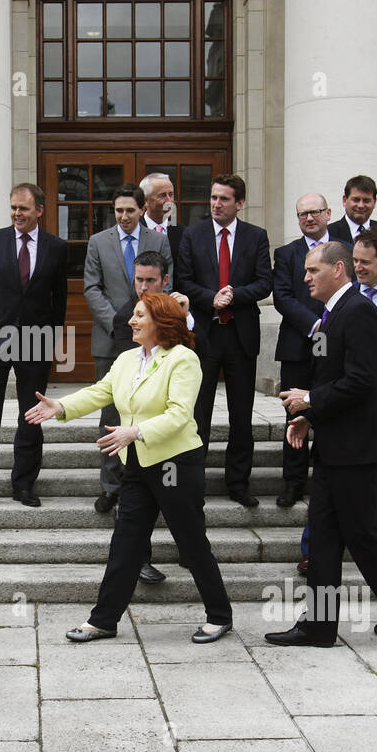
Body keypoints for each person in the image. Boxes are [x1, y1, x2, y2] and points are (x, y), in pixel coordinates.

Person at [25, 293, 233, 644]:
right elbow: (99, 392)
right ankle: (103, 620)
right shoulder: (125, 360)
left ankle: (220, 615)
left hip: (175, 465)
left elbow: (180, 414)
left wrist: (135, 431)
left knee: (190, 542)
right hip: (136, 462)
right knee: (126, 543)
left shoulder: (183, 359)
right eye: (133, 315)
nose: (131, 321)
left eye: (140, 315)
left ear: (161, 321)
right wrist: (60, 407)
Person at [268, 242, 377, 646]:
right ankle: (320, 626)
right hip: (337, 445)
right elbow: (338, 379)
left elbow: (363, 380)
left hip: (358, 451)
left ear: (337, 269)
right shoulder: (336, 312)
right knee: (325, 538)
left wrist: (309, 400)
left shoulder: (358, 312)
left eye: (313, 270)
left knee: (363, 537)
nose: (305, 277)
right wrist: (312, 415)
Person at [0, 183, 68, 509]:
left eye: (23, 208)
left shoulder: (56, 247)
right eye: (13, 208)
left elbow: (60, 300)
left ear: (39, 210)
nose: (17, 214)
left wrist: (53, 339)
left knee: (32, 414)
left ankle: (24, 484)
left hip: (35, 342)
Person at [177, 174, 272, 506]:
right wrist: (210, 298)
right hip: (203, 337)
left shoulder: (256, 237)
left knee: (241, 415)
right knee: (197, 412)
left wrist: (234, 295)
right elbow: (183, 281)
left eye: (224, 199)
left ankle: (238, 483)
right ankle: (193, 480)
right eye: (214, 198)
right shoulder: (193, 235)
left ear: (240, 203)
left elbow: (265, 283)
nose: (217, 204)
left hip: (241, 335)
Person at [110, 250, 197, 584]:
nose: (143, 286)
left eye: (150, 280)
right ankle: (139, 560)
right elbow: (124, 372)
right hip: (138, 432)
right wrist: (62, 408)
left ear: (165, 280)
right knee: (136, 506)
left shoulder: (181, 315)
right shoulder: (125, 316)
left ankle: (192, 552)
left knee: (182, 502)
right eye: (138, 280)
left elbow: (193, 352)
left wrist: (183, 319)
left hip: (175, 434)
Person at [84, 184, 171, 515]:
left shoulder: (159, 240)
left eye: (130, 211)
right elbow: (91, 287)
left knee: (150, 410)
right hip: (110, 341)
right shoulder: (98, 242)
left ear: (142, 209)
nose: (124, 216)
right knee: (110, 412)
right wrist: (121, 323)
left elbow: (167, 282)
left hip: (152, 339)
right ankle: (110, 486)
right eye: (118, 211)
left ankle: (147, 484)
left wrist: (145, 321)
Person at [272, 193, 349, 508]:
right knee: (295, 413)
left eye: (314, 212)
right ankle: (293, 482)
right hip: (298, 345)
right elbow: (282, 296)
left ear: (328, 213)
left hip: (336, 346)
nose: (308, 218)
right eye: (302, 214)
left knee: (329, 410)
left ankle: (327, 478)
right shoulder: (287, 253)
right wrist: (316, 324)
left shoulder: (343, 249)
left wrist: (331, 326)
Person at [327, 176, 377, 258]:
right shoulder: (329, 232)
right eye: (356, 200)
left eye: (366, 200)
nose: (361, 205)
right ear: (344, 200)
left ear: (374, 202)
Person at [141, 173, 184, 267]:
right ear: (145, 201)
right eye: (162, 195)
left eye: (171, 195)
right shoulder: (134, 230)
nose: (169, 201)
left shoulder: (183, 233)